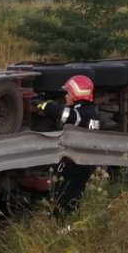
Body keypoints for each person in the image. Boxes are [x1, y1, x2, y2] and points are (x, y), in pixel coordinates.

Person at [47, 74, 101, 213]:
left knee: (64, 203)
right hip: (81, 164)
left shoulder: (82, 113)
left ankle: (64, 229)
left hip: (73, 166)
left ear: (77, 94)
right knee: (71, 202)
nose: (65, 96)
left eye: (68, 93)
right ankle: (66, 229)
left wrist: (44, 105)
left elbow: (65, 115)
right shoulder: (90, 112)